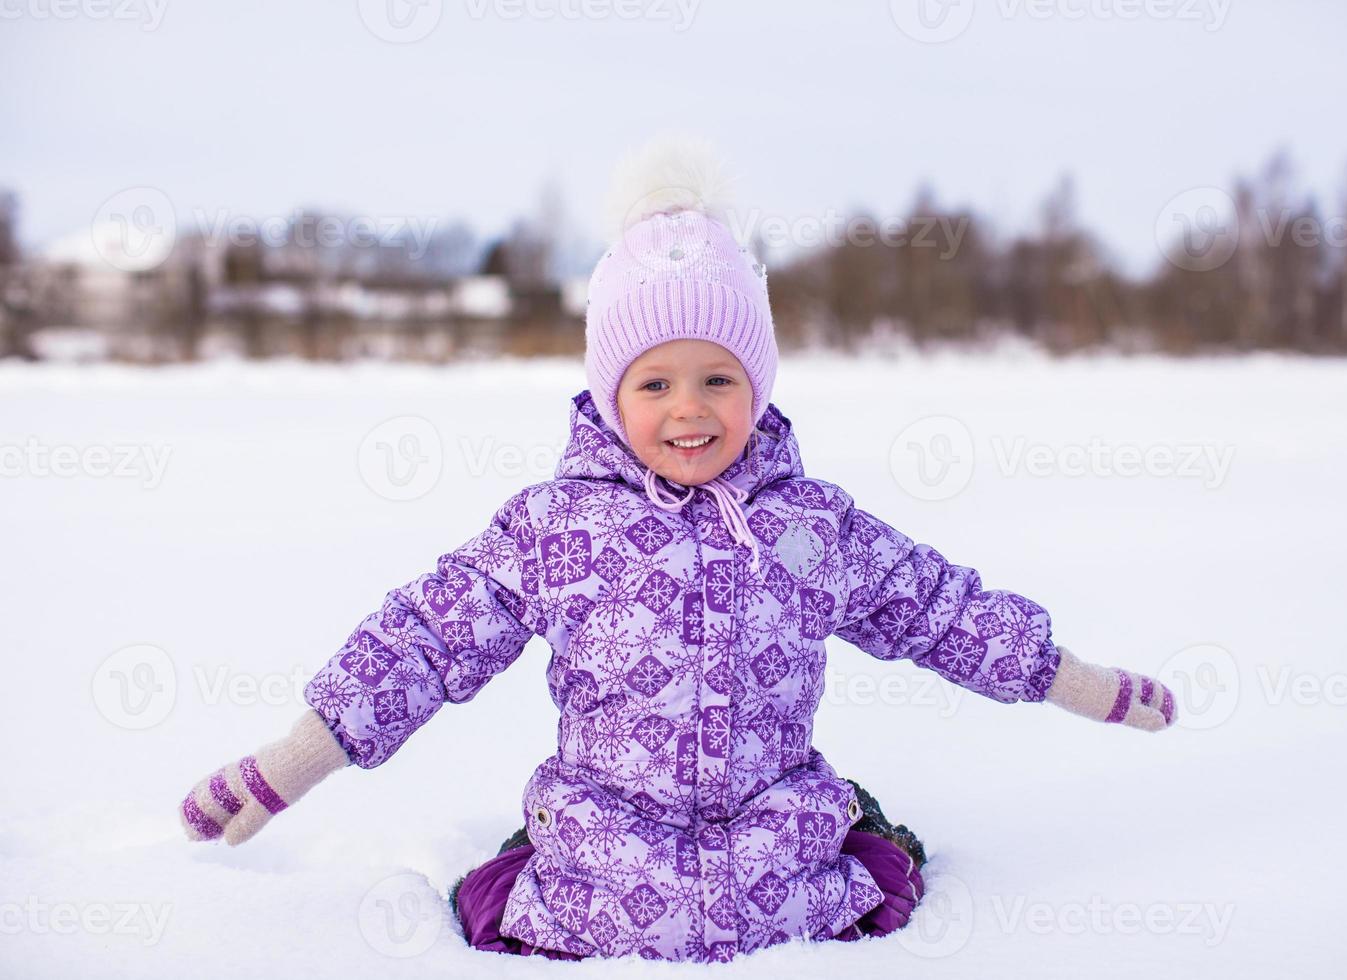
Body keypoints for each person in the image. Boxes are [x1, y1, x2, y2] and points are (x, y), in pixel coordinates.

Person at [178, 137, 1178, 964]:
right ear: (611, 396)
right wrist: (292, 759)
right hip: (601, 871)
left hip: (777, 871)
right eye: (654, 383)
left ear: (762, 385)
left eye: (718, 378)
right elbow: (424, 641)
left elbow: (939, 609)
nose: (689, 408)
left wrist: (1072, 678)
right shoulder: (556, 527)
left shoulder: (811, 527)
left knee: (866, 847)